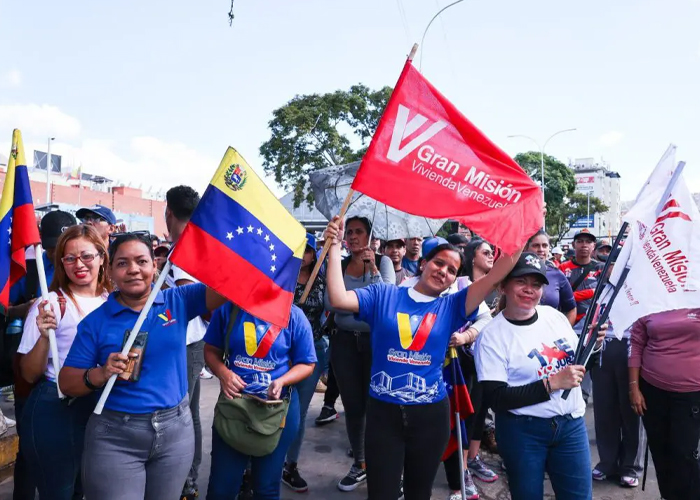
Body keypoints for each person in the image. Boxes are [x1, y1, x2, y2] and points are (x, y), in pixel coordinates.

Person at [324, 215, 522, 500]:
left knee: (419, 494)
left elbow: (496, 276)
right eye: (439, 263)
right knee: (381, 494)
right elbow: (338, 299)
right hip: (383, 414)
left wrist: (521, 229)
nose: (444, 272)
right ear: (423, 264)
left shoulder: (453, 306)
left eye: (452, 270)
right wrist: (333, 246)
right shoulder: (384, 295)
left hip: (430, 416)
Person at [58, 232, 227, 500]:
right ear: (110, 270)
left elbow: (229, 285)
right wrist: (101, 373)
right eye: (123, 263)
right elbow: (66, 383)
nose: (134, 269)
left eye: (141, 261)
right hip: (116, 438)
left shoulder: (178, 300)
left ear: (154, 266)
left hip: (176, 434)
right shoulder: (95, 322)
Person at [475, 252, 604, 500]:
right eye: (521, 282)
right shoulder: (491, 336)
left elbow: (577, 367)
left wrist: (593, 346)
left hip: (571, 426)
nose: (529, 290)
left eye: (536, 284)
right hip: (522, 432)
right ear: (503, 286)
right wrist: (552, 383)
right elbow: (497, 400)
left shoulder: (554, 317)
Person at [18, 225, 111, 500]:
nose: (78, 264)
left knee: (87, 489)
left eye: (86, 256)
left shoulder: (114, 302)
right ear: (61, 263)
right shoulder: (50, 303)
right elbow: (29, 373)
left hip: (101, 407)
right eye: (69, 258)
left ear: (102, 257)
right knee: (58, 492)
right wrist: (45, 337)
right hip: (55, 405)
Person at [203, 302, 316, 500]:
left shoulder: (294, 315)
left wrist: (282, 381)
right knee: (222, 489)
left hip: (277, 411)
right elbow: (211, 349)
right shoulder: (228, 309)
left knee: (267, 488)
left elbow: (307, 362)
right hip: (234, 409)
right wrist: (223, 374)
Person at [323, 216, 394, 492]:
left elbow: (387, 299)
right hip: (343, 344)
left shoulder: (383, 261)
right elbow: (331, 301)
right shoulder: (338, 264)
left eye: (358, 232)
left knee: (379, 407)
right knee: (354, 408)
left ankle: (385, 466)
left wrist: (372, 269)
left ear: (369, 235)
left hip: (376, 343)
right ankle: (361, 464)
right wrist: (365, 303)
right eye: (348, 232)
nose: (352, 237)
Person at [163, 184, 208, 500]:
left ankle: (186, 484)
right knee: (189, 413)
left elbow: (190, 297)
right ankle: (187, 482)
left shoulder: (184, 251)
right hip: (192, 344)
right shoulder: (195, 246)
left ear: (168, 212)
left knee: (181, 416)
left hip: (184, 345)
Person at [629, 309, 700, 500]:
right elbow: (636, 344)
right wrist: (634, 388)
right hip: (652, 391)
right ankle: (667, 496)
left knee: (684, 455)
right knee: (660, 452)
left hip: (691, 394)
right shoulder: (652, 300)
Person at [282, 233, 328, 492]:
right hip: (281, 351)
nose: (304, 255)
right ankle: (260, 462)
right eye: (301, 250)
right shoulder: (282, 278)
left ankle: (290, 465)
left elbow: (331, 308)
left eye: (309, 251)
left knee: (298, 414)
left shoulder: (320, 282)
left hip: (311, 353)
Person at [591, 312, 644, 487]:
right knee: (604, 408)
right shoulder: (603, 286)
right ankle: (607, 462)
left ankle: (630, 465)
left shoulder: (643, 286)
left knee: (632, 410)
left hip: (633, 343)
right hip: (602, 344)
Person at [526, 230, 577, 325]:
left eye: (545, 246)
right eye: (536, 245)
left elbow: (571, 309)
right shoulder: (515, 273)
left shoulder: (557, 275)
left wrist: (564, 334)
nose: (541, 249)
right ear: (526, 248)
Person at [463, 239, 499, 312]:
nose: (491, 256)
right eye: (486, 253)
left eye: (492, 253)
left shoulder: (497, 285)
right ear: (472, 258)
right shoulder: (461, 285)